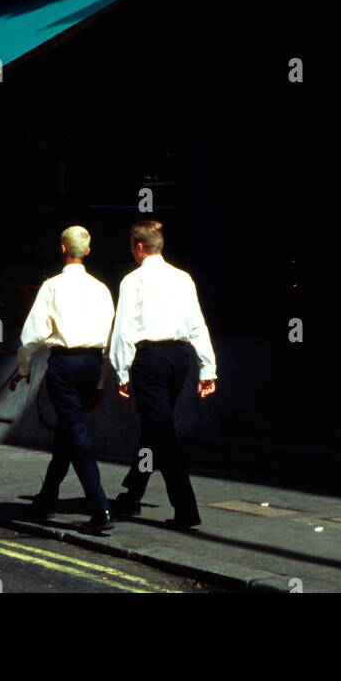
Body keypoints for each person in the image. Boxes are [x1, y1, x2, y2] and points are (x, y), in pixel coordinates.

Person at [109, 220, 216, 529]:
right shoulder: (183, 278)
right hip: (179, 360)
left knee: (163, 433)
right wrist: (207, 368)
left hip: (150, 360)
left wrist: (122, 370)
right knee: (155, 427)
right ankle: (132, 492)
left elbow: (123, 329)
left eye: (131, 243)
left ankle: (186, 509)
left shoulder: (133, 280)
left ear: (138, 247)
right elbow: (197, 324)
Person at [9, 225, 115, 534]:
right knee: (68, 432)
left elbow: (32, 336)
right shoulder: (101, 289)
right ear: (88, 251)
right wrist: (99, 383)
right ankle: (47, 497)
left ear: (62, 249)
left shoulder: (52, 287)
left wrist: (24, 369)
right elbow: (108, 340)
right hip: (92, 364)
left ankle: (99, 506)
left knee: (75, 433)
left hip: (64, 366)